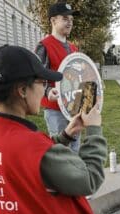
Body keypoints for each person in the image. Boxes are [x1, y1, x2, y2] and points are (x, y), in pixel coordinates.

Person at [0, 45, 112, 214]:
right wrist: (94, 130)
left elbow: (27, 165)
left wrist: (65, 136)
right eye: (42, 83)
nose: (45, 90)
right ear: (22, 90)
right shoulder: (29, 146)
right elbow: (89, 179)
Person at [35, 2, 80, 152]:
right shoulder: (44, 46)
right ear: (53, 21)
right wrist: (48, 92)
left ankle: (75, 174)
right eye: (65, 19)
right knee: (60, 151)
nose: (70, 22)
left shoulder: (73, 48)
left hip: (74, 106)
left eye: (72, 20)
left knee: (74, 147)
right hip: (56, 110)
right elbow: (36, 76)